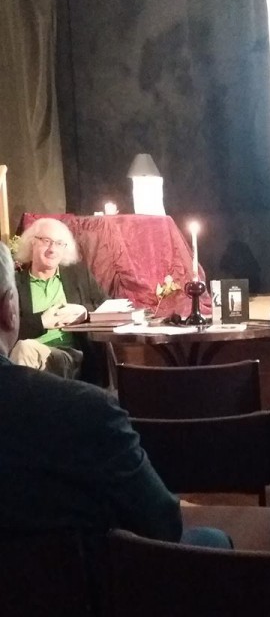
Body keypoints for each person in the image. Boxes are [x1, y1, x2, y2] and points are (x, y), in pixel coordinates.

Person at [0, 241, 231, 549]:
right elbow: (163, 525)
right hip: (85, 575)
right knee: (215, 540)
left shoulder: (76, 276)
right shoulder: (86, 411)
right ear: (9, 309)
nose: (51, 248)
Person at [11, 217, 107, 381]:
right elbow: (7, 330)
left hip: (69, 357)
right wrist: (41, 322)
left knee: (24, 351)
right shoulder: (15, 283)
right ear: (32, 243)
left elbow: (108, 306)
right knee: (24, 348)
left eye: (59, 243)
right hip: (26, 355)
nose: (52, 249)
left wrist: (85, 312)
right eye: (46, 241)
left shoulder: (78, 275)